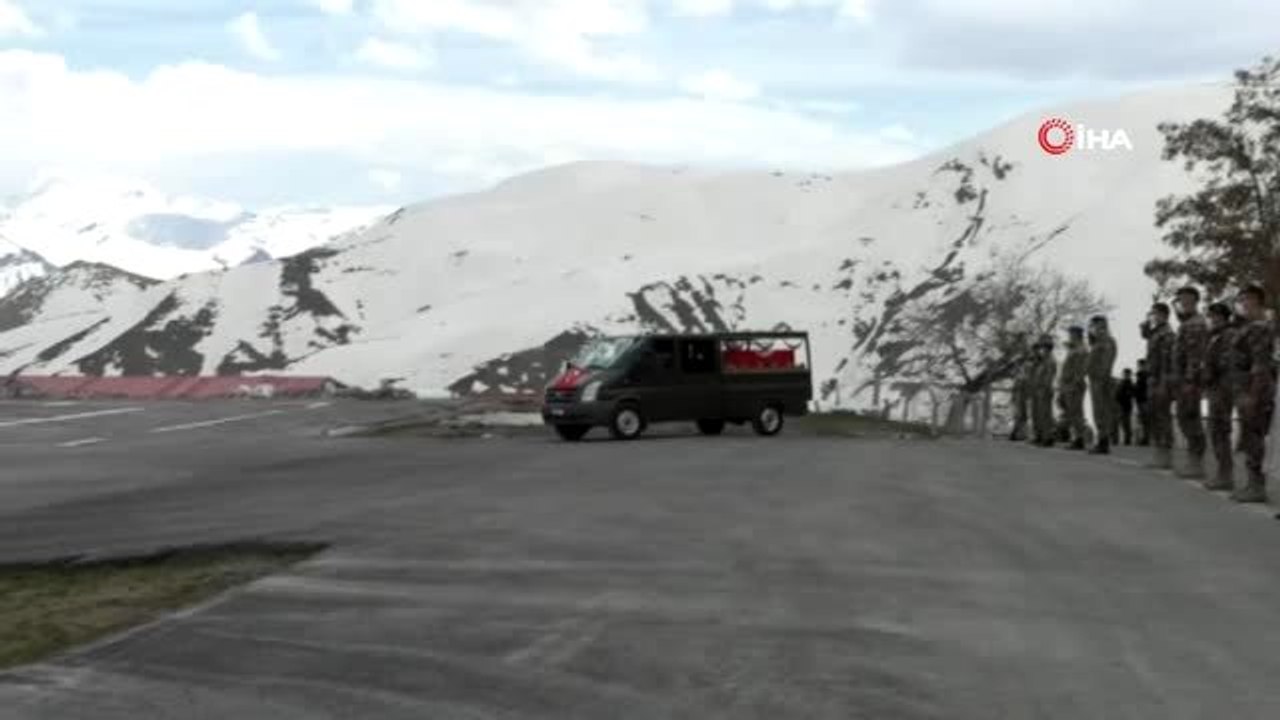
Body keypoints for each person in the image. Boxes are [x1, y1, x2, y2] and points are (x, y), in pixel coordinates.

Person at [1230, 285, 1275, 503]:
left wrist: (1253, 395)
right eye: (1241, 300)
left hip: (1254, 390)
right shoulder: (1248, 327)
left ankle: (1257, 486)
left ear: (1258, 301)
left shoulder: (1258, 328)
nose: (1243, 303)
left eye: (1247, 299)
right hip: (1245, 389)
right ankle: (1252, 483)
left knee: (1253, 438)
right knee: (1249, 437)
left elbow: (1260, 365)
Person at [1172, 286, 1210, 478]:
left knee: (1190, 417)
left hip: (1191, 380)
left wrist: (1190, 380)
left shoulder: (1197, 323)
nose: (1183, 301)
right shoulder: (1186, 323)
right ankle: (1194, 460)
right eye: (1180, 299)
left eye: (1186, 298)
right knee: (1184, 417)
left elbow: (1196, 355)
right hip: (1182, 379)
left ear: (1195, 300)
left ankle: (1196, 462)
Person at [1202, 302, 1237, 491]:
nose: (1212, 319)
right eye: (1211, 316)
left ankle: (1225, 475)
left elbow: (1226, 362)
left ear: (1224, 317)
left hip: (1224, 388)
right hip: (1215, 388)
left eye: (1216, 316)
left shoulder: (1228, 335)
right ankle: (1223, 473)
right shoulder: (1214, 336)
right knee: (1216, 431)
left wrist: (1208, 371)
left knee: (1220, 431)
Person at [1143, 303, 1176, 469]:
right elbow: (1145, 334)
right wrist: (1146, 321)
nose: (1153, 316)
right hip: (1153, 379)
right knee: (1153, 415)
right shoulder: (1155, 332)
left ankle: (1165, 453)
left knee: (1162, 415)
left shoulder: (1167, 334)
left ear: (1163, 314)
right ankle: (1158, 451)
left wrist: (1164, 382)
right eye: (1152, 313)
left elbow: (1166, 361)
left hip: (1162, 379)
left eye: (1155, 313)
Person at [1086, 315, 1117, 454]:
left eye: (1095, 326)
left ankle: (1103, 442)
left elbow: (1107, 361)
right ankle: (1101, 440)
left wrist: (1101, 377)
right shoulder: (1097, 342)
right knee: (1097, 411)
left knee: (1102, 411)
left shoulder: (1107, 341)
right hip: (1094, 380)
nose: (1093, 329)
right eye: (1092, 327)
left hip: (1101, 380)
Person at [1058, 326, 1089, 450]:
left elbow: (1082, 368)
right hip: (1068, 384)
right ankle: (1076, 437)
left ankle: (1080, 438)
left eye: (1071, 334)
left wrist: (1076, 381)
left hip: (1074, 385)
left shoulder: (1081, 349)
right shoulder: (1073, 349)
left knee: (1076, 412)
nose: (1069, 336)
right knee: (1072, 412)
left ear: (1077, 335)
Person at [1030, 334, 1058, 447]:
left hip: (1044, 390)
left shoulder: (1050, 360)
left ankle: (1048, 437)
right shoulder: (1043, 361)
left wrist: (1044, 388)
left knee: (1046, 415)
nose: (1042, 349)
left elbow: (1049, 377)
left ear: (1048, 347)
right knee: (1040, 414)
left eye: (1044, 347)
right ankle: (1041, 436)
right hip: (1040, 390)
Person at [1008, 336, 1034, 442]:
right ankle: (1018, 432)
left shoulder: (1028, 364)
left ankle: (1021, 433)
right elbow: (1014, 377)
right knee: (1017, 413)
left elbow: (1027, 378)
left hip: (1024, 391)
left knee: (1023, 413)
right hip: (1018, 390)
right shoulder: (1018, 366)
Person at [1115, 369, 1137, 446]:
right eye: (1125, 374)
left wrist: (1127, 394)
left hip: (1126, 405)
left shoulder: (1129, 384)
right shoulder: (1122, 383)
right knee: (1124, 422)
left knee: (1126, 422)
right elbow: (1118, 394)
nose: (1125, 376)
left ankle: (1128, 438)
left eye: (1127, 374)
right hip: (1122, 405)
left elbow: (1133, 394)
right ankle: (1127, 438)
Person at [1134, 359, 1151, 445]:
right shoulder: (1140, 375)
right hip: (1140, 399)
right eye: (1139, 366)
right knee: (1143, 420)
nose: (1139, 367)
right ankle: (1144, 438)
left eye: (1140, 365)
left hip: (1145, 399)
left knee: (1146, 420)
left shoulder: (1146, 375)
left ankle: (1146, 438)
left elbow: (1146, 387)